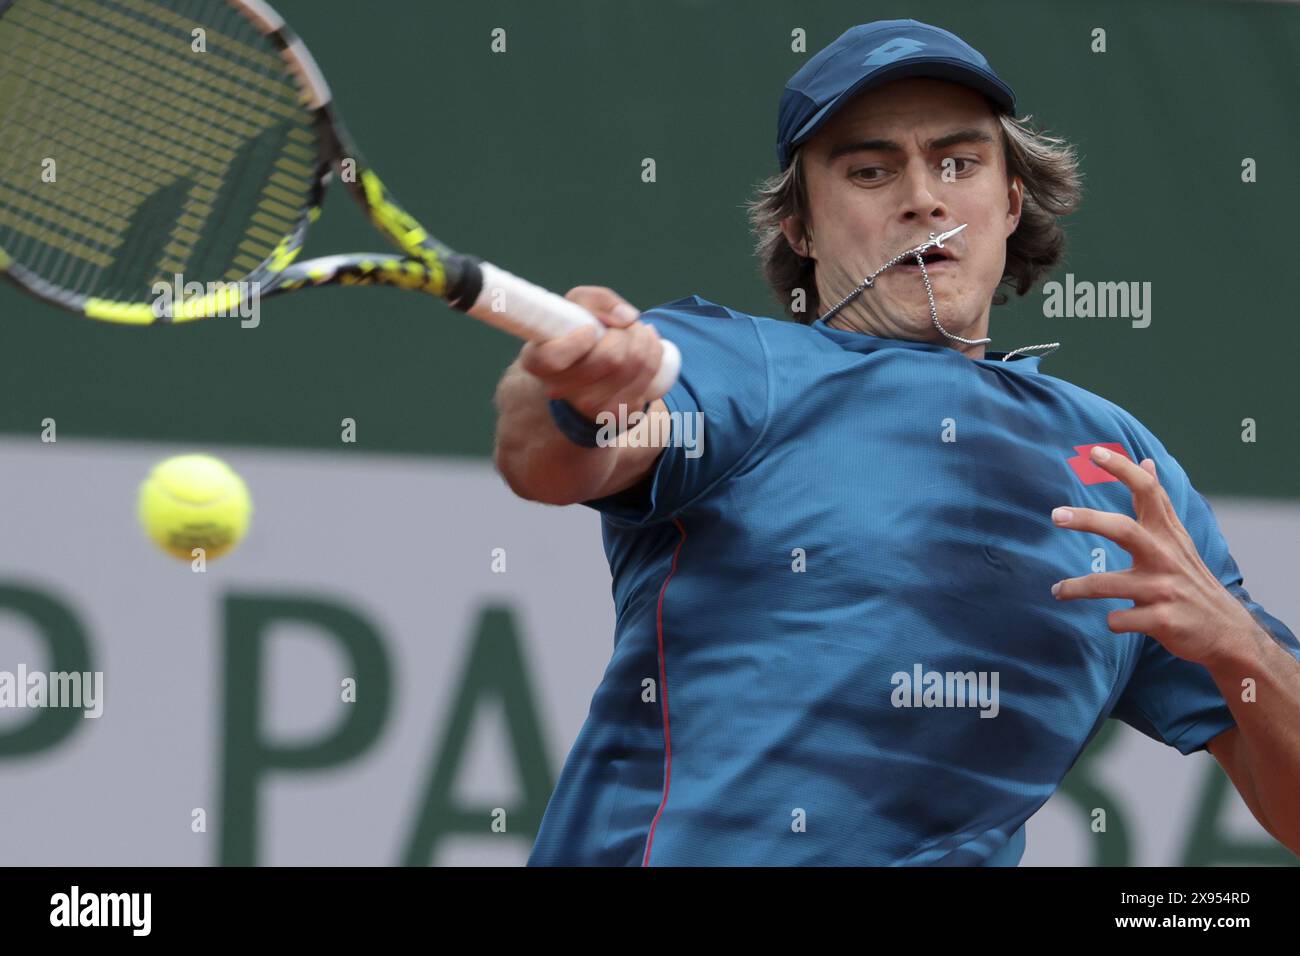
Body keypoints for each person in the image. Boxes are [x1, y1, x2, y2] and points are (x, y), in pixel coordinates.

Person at [492, 19, 1300, 865]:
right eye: (870, 171)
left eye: (960, 162)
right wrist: (570, 388)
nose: (924, 197)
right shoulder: (741, 365)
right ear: (800, 226)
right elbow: (549, 458)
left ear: (1013, 201)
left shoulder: (1120, 464)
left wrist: (1238, 645)